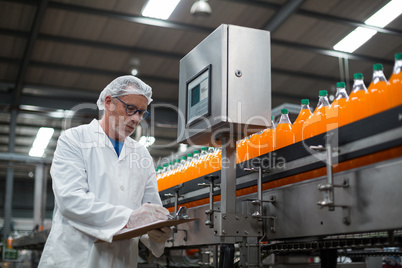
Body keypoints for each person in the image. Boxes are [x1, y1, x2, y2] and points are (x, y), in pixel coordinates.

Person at [39, 76, 172, 267]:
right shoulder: (75, 139)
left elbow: (150, 208)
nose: (136, 118)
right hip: (75, 258)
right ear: (108, 102)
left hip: (121, 260)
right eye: (130, 109)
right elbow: (71, 200)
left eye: (141, 112)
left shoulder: (141, 154)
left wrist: (158, 232)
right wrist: (129, 218)